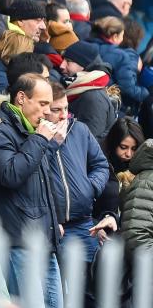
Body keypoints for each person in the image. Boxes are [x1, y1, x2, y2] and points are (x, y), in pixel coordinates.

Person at [0, 74, 65, 308]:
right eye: (42, 104)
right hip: (17, 240)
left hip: (43, 239)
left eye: (50, 105)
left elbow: (39, 183)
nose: (48, 111)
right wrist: (41, 140)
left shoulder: (30, 130)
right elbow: (10, 174)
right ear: (21, 98)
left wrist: (54, 222)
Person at [43, 87, 113, 265]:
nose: (63, 115)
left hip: (84, 224)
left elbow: (101, 165)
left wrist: (89, 188)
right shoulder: (35, 136)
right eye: (56, 110)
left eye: (65, 108)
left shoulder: (79, 130)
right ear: (43, 109)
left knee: (90, 286)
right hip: (52, 226)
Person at [90, 16, 149, 108]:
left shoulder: (90, 43)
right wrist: (147, 93)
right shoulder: (126, 55)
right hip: (111, 103)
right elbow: (128, 88)